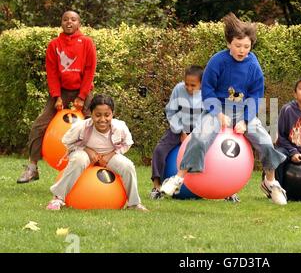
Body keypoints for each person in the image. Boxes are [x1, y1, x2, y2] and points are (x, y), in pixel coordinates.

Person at [160, 12, 288, 205]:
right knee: (201, 137)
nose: (242, 50)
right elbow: (208, 91)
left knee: (265, 141)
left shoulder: (254, 65)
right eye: (238, 45)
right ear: (229, 43)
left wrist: (246, 119)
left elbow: (256, 96)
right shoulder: (217, 61)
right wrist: (217, 113)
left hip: (244, 111)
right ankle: (178, 178)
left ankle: (270, 182)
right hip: (216, 109)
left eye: (246, 46)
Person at [17, 10, 97, 183]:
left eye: (73, 19)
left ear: (79, 23)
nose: (69, 22)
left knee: (95, 125)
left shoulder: (87, 43)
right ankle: (32, 168)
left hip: (82, 91)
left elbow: (90, 70)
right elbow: (52, 73)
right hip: (61, 92)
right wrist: (56, 97)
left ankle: (98, 166)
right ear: (61, 23)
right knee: (39, 125)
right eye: (66, 19)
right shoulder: (54, 45)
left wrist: (82, 97)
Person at [46, 94, 148, 211]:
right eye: (98, 115)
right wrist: (86, 150)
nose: (102, 119)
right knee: (79, 160)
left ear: (112, 114)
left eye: (107, 115)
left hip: (109, 156)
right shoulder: (81, 126)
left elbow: (127, 143)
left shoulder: (120, 127)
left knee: (128, 166)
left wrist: (111, 154)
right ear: (91, 113)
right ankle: (58, 198)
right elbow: (66, 141)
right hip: (84, 154)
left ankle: (134, 203)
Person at [149, 65, 203, 199]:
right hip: (178, 127)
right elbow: (171, 111)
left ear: (201, 84)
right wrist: (181, 131)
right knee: (159, 150)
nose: (189, 88)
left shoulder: (208, 93)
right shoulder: (179, 89)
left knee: (214, 155)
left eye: (193, 85)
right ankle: (157, 187)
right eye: (187, 84)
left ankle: (226, 191)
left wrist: (194, 134)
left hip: (199, 131)